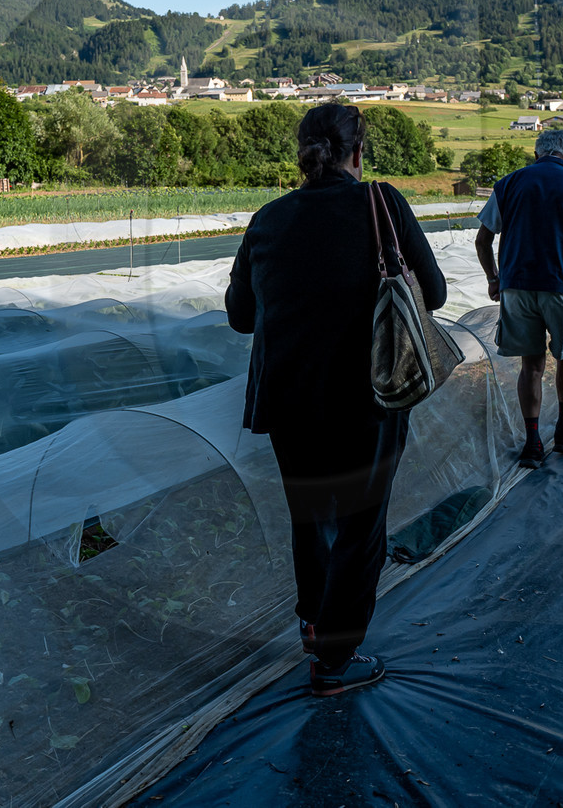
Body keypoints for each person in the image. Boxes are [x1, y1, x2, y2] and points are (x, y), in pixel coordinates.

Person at [225, 103, 446, 697]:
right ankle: (334, 661)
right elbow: (437, 293)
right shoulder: (382, 203)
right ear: (358, 151)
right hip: (367, 396)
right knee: (361, 526)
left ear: (303, 154)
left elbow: (241, 318)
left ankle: (313, 624)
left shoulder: (267, 219)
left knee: (310, 518)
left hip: (288, 401)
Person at [473, 129, 563, 469]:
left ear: (536, 153)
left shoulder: (509, 184)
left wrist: (494, 279)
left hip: (517, 287)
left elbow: (483, 241)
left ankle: (532, 443)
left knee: (531, 365)